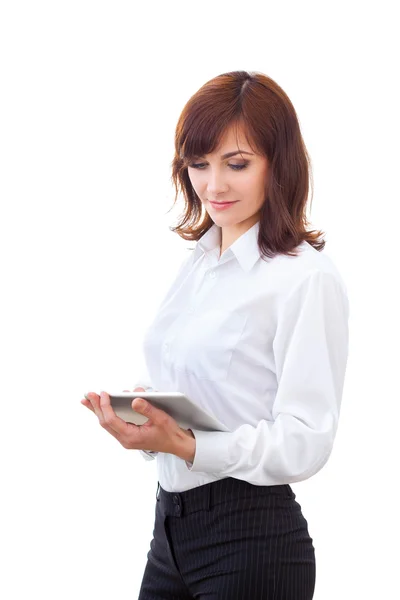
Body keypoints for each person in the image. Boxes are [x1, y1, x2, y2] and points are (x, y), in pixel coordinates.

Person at [82, 70, 349, 599]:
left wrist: (186, 444)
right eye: (199, 165)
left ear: (280, 163)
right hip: (170, 531)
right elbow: (196, 394)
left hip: (251, 538)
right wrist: (147, 423)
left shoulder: (304, 277)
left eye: (237, 164)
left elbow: (306, 440)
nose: (214, 185)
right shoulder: (200, 262)